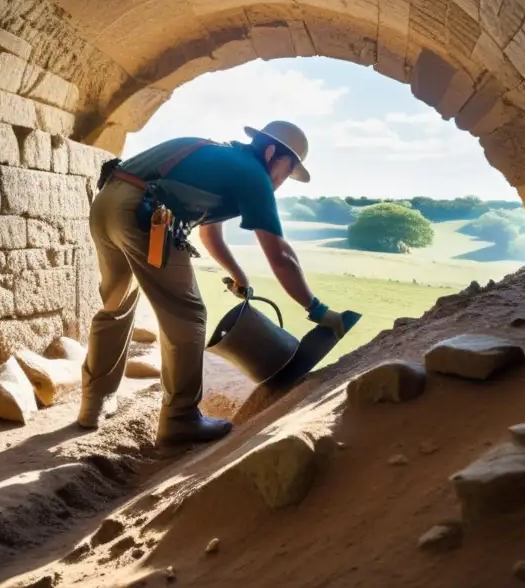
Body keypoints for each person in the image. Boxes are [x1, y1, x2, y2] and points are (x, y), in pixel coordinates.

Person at [78, 120, 352, 446]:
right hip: (146, 215)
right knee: (188, 316)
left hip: (107, 203)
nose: (281, 182)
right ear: (270, 152)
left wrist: (238, 275)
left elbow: (209, 233)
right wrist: (317, 310)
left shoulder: (222, 159)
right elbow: (280, 256)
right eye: (286, 170)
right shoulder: (254, 176)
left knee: (116, 306)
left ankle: (93, 404)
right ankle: (180, 419)